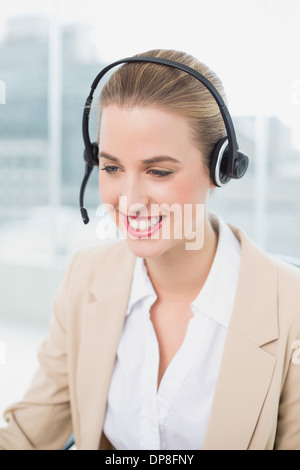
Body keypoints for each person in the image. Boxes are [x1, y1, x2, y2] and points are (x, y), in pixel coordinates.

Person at [1, 49, 300, 451]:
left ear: (220, 168)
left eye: (158, 171)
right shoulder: (85, 277)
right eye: (111, 168)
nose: (131, 200)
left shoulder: (290, 306)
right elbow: (28, 433)